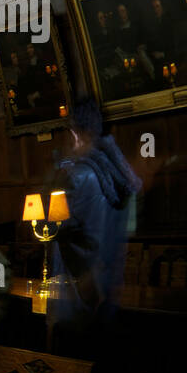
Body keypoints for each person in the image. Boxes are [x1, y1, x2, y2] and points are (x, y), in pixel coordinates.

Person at [50, 99, 142, 338]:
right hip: (110, 291)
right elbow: (126, 230)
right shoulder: (120, 174)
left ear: (74, 133)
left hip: (77, 297)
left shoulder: (76, 177)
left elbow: (57, 231)